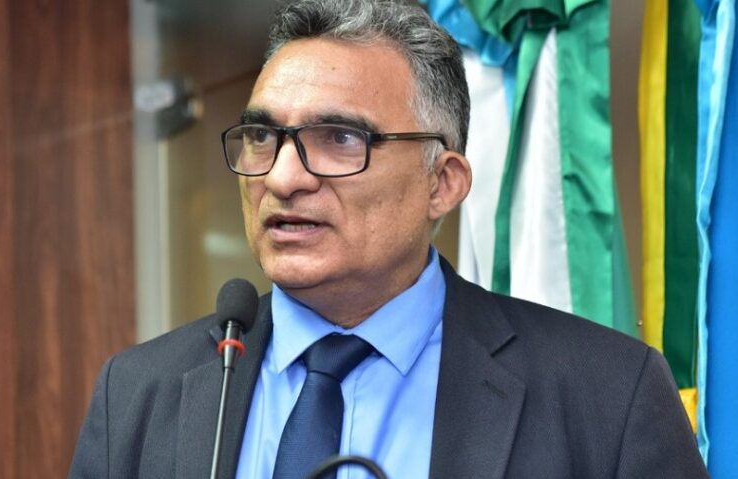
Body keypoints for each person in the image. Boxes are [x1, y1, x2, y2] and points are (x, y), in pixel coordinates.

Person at [69, 0, 708, 477]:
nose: (282, 178)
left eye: (340, 138)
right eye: (263, 137)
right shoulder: (138, 394)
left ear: (443, 183)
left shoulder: (609, 395)